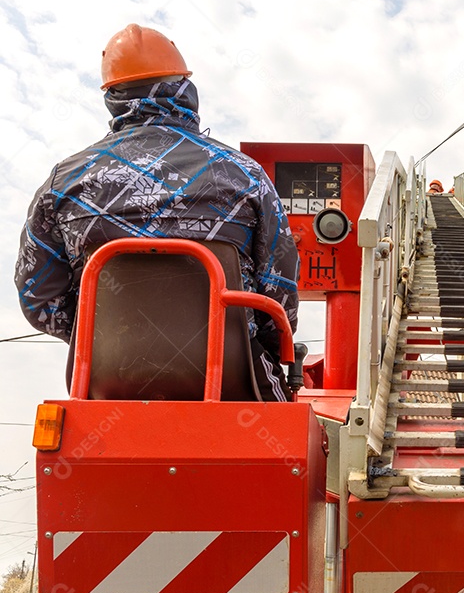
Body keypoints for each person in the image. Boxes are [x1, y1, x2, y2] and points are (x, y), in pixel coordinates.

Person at [14, 24, 299, 401]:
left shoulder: (64, 183)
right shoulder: (244, 175)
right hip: (237, 386)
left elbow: (38, 295)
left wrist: (105, 336)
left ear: (113, 97)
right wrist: (248, 342)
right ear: (184, 89)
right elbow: (280, 297)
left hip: (104, 387)